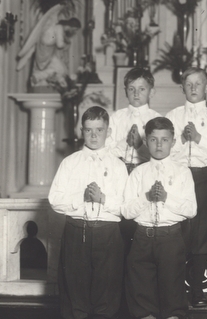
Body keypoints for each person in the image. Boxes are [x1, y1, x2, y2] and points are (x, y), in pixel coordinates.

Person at [48, 106, 129, 319]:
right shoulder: (70, 163)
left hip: (108, 233)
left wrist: (103, 199)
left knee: (107, 295)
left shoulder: (118, 166)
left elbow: (126, 206)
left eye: (99, 130)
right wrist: (80, 200)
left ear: (108, 132)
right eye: (89, 130)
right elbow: (55, 199)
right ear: (81, 131)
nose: (94, 135)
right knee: (75, 295)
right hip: (77, 232)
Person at [122, 117, 196, 319]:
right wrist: (146, 198)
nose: (159, 145)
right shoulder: (138, 173)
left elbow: (191, 209)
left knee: (172, 294)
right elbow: (126, 211)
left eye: (164, 140)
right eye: (154, 139)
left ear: (173, 142)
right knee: (141, 295)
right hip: (142, 239)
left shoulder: (183, 172)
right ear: (145, 142)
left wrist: (166, 198)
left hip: (170, 238)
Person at [165, 67, 207, 308]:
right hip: (179, 177)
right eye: (188, 84)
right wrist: (182, 139)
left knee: (202, 232)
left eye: (198, 84)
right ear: (182, 88)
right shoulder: (173, 115)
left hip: (203, 177)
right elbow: (167, 150)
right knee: (179, 230)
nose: (193, 88)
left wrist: (198, 138)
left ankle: (198, 290)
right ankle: (176, 287)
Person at [16, 4, 82, 89]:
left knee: (61, 70)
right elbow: (60, 45)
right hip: (45, 53)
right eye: (75, 30)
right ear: (72, 27)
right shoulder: (59, 28)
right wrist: (67, 41)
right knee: (61, 70)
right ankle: (38, 76)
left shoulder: (58, 27)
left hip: (45, 52)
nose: (74, 32)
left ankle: (40, 78)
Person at [107, 67, 161, 170]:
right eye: (131, 89)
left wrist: (140, 145)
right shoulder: (116, 117)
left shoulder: (157, 119)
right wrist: (124, 143)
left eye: (142, 89)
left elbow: (159, 154)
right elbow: (107, 148)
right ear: (126, 92)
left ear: (151, 92)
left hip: (146, 169)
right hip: (119, 169)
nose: (136, 93)